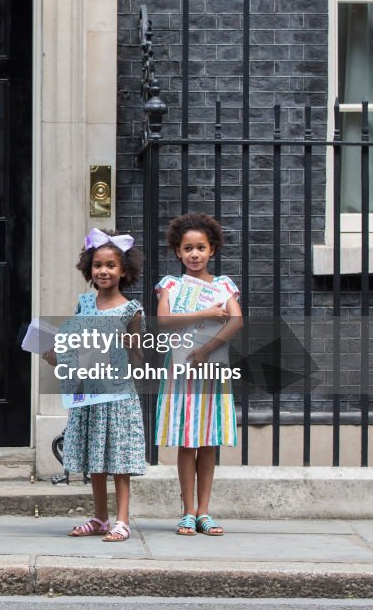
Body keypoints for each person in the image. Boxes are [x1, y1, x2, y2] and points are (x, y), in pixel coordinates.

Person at [53, 228, 146, 543]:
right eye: (97, 265)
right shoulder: (83, 303)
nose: (103, 271)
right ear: (88, 269)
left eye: (110, 265)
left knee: (118, 457)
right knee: (95, 458)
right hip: (87, 389)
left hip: (117, 392)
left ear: (124, 270)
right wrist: (55, 352)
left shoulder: (132, 310)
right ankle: (100, 517)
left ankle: (123, 519)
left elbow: (137, 357)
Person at [154, 212, 242, 536]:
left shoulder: (223, 285)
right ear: (178, 251)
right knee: (186, 442)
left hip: (211, 369)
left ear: (212, 250)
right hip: (181, 371)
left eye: (201, 248)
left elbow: (236, 320)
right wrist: (205, 313)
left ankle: (204, 511)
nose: (194, 254)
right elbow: (163, 322)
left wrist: (208, 348)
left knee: (208, 443)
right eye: (188, 248)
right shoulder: (171, 285)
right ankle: (187, 511)